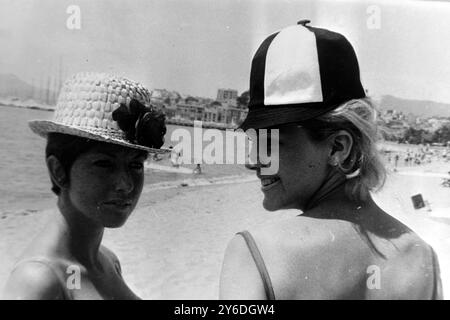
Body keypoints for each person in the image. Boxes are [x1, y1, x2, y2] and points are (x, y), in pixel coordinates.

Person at [219, 21, 442, 299]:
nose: (253, 161)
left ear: (338, 147)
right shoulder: (421, 259)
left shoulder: (254, 255)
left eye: (270, 144)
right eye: (254, 142)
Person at [2, 72, 168, 300]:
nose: (125, 184)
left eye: (135, 165)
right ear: (58, 171)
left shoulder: (107, 262)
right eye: (104, 164)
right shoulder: (39, 280)